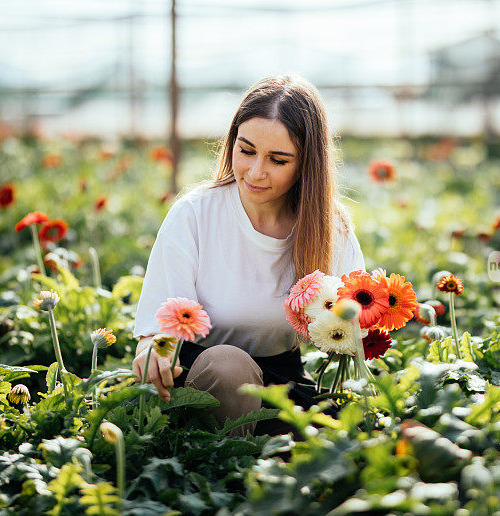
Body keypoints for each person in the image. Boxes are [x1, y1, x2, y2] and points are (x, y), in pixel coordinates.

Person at [131, 75, 365, 436]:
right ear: (232, 144)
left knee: (347, 433)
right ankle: (224, 471)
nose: (256, 172)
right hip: (199, 381)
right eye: (247, 150)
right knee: (228, 366)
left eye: (278, 160)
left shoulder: (328, 227)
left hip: (283, 385)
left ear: (306, 165)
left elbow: (361, 320)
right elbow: (160, 322)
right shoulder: (194, 214)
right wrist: (154, 348)